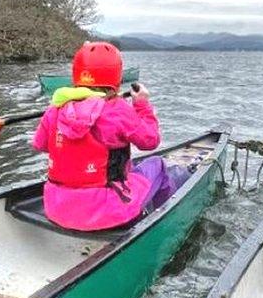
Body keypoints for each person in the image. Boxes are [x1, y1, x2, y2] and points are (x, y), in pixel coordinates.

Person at [32, 41, 176, 231]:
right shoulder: (118, 109)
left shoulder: (55, 109)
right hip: (105, 211)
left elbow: (41, 144)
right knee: (158, 164)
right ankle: (165, 219)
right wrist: (142, 104)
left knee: (128, 170)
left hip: (56, 207)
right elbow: (150, 141)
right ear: (116, 76)